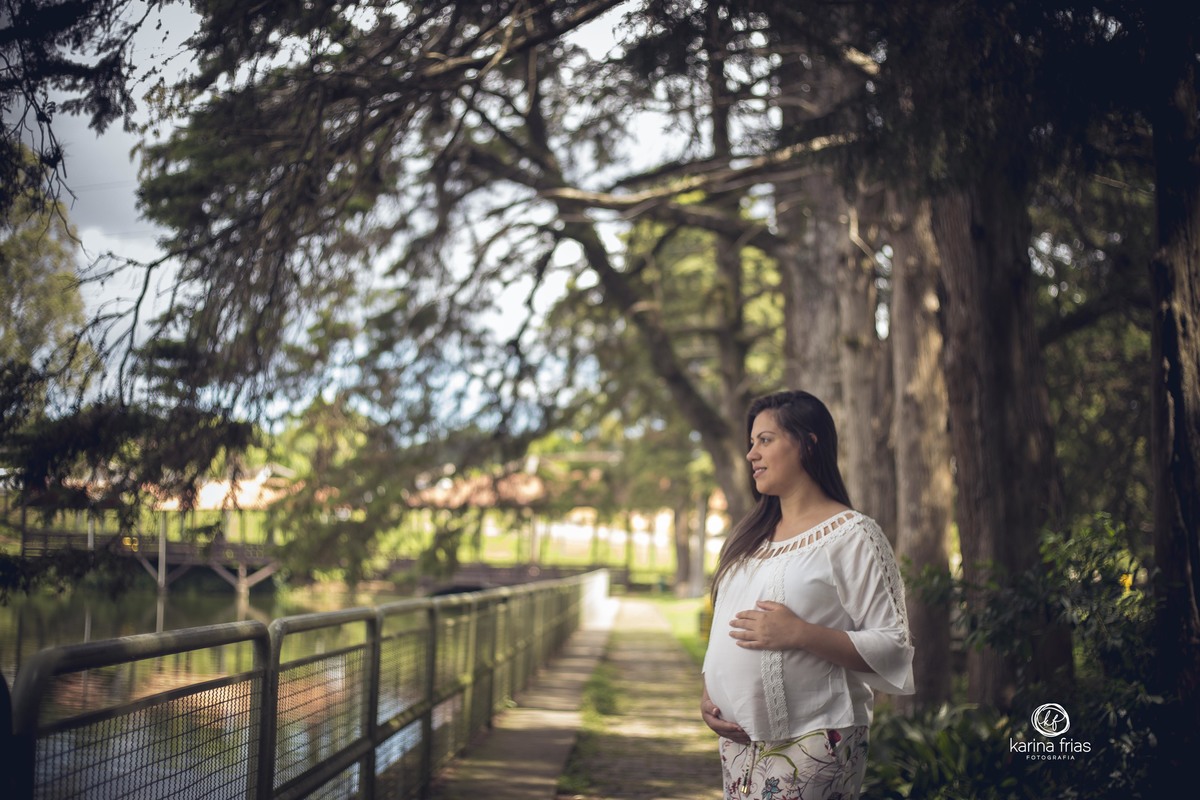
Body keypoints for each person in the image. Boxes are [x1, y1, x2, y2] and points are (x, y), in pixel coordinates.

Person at [700, 390, 914, 800]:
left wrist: (798, 633)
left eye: (765, 440)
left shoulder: (852, 535)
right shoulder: (751, 537)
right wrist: (709, 691)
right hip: (739, 745)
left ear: (808, 443)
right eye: (751, 443)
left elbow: (893, 644)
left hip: (816, 739)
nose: (751, 455)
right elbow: (724, 626)